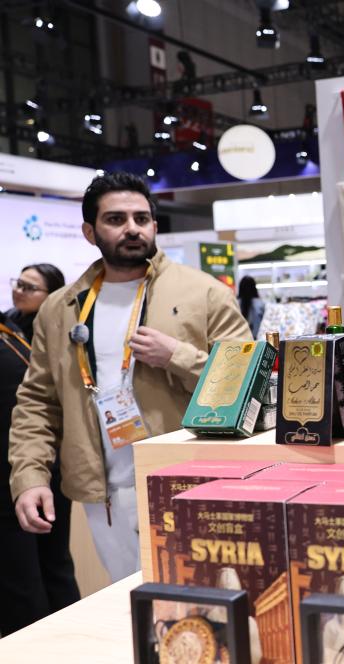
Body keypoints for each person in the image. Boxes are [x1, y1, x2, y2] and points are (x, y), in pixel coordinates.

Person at [9, 172, 252, 582]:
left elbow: (247, 383)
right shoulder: (60, 308)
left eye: (141, 218)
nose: (132, 228)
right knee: (130, 600)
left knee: (205, 598)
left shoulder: (204, 293)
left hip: (190, 482)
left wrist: (177, 357)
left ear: (155, 225)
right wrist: (30, 476)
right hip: (104, 496)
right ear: (90, 232)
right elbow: (37, 403)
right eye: (115, 219)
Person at [0, 264, 80, 636]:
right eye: (18, 284)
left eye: (29, 287)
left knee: (46, 568)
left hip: (43, 466)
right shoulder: (11, 330)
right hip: (23, 466)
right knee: (26, 573)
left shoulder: (59, 333)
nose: (19, 291)